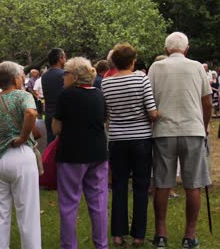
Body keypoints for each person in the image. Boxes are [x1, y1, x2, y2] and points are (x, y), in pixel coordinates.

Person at [148, 32, 212, 249]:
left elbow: (149, 100)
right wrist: (203, 126)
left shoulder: (156, 68)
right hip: (192, 129)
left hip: (164, 129)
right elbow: (207, 101)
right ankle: (189, 235)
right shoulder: (196, 67)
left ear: (166, 49)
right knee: (193, 184)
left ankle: (161, 235)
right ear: (187, 48)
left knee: (162, 183)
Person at [0, 61, 41, 249]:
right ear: (15, 78)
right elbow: (30, 113)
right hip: (20, 156)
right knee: (27, 211)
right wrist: (22, 136)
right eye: (21, 75)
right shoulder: (23, 96)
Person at [101, 43, 157, 247]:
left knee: (119, 185)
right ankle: (139, 235)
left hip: (117, 139)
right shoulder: (141, 78)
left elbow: (105, 114)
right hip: (141, 138)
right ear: (133, 61)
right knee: (141, 186)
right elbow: (152, 112)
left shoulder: (106, 84)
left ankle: (117, 233)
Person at [52, 57, 108, 249]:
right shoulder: (99, 95)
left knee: (69, 204)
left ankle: (69, 246)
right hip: (98, 153)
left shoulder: (65, 96)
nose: (62, 77)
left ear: (74, 76)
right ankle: (101, 245)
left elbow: (56, 128)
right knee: (98, 202)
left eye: (65, 73)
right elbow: (104, 120)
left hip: (72, 154)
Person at [42, 48, 66, 144]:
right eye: (64, 57)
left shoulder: (44, 76)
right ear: (60, 58)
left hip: (49, 113)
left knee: (51, 143)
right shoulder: (64, 75)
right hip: (61, 115)